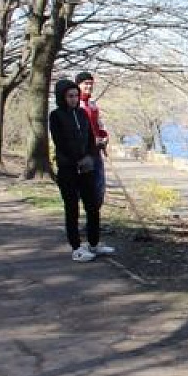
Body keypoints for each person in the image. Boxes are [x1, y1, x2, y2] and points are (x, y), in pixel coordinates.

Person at [48, 78, 114, 262]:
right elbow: (61, 142)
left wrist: (92, 155)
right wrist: (77, 159)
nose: (74, 99)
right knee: (72, 208)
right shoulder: (56, 116)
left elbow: (89, 138)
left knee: (92, 206)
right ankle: (76, 247)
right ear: (62, 96)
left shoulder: (83, 114)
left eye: (76, 96)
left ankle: (94, 243)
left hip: (87, 168)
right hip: (68, 168)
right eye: (70, 96)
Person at [75, 71, 109, 206]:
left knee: (98, 187)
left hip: (96, 151)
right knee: (81, 188)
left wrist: (104, 136)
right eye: (85, 84)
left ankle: (93, 223)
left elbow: (99, 125)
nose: (89, 87)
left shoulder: (93, 105)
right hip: (82, 153)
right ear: (78, 85)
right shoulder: (76, 105)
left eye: (91, 84)